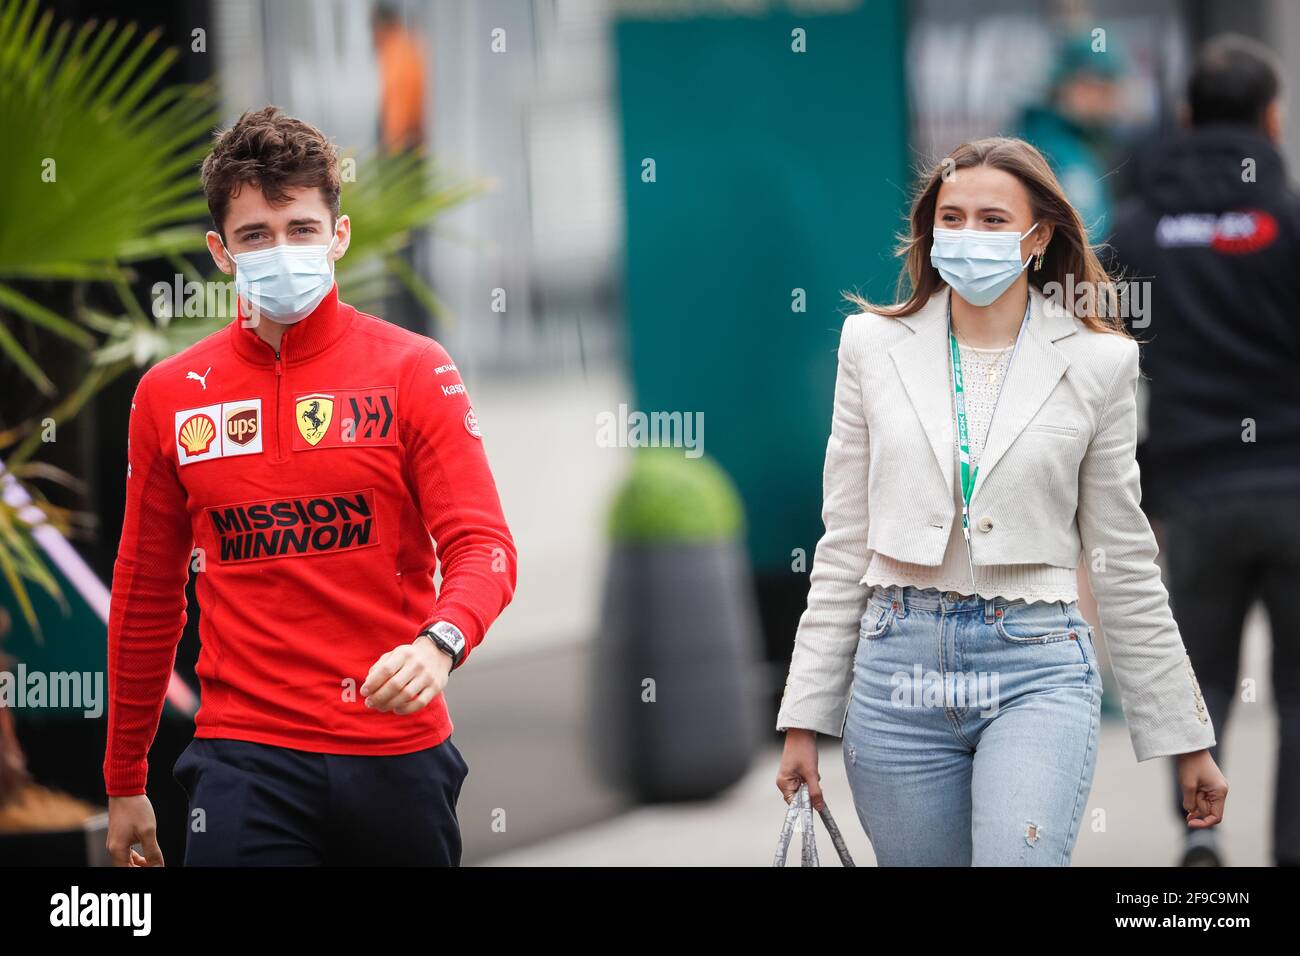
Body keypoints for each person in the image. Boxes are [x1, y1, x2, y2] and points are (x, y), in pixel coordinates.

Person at [774, 136, 1227, 866]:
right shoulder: (869, 346)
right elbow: (843, 544)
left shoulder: (1101, 361)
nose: (967, 236)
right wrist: (804, 720)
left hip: (1037, 666)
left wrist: (1186, 738)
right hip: (898, 675)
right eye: (951, 218)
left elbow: (1125, 561)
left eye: (992, 220)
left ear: (1039, 235)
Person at [102, 106, 516, 866]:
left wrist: (439, 643)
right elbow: (146, 591)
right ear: (220, 253)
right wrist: (126, 775)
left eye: (300, 229)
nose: (281, 250)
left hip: (398, 752)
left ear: (339, 236)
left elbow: (483, 545)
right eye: (256, 235)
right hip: (244, 761)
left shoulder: (413, 369)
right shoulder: (169, 394)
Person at [1109, 34, 1300, 867]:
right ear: (1273, 118)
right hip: (1293, 483)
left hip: (1190, 488)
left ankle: (1201, 835)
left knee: (1198, 677)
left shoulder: (1138, 229)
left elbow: (1101, 346)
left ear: (1185, 118)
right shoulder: (1289, 221)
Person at [1016, 34, 1122, 243]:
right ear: (1064, 85)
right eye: (1092, 86)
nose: (1102, 98)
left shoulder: (1091, 142)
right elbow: (1088, 241)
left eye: (1108, 88)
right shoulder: (1047, 147)